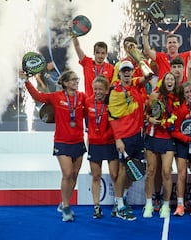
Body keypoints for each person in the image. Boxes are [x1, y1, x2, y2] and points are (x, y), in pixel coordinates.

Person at [21, 70, 86, 222]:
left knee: (75, 175)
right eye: (73, 79)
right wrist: (26, 81)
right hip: (62, 142)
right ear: (65, 83)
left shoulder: (81, 97)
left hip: (78, 141)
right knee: (67, 173)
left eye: (77, 79)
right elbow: (38, 96)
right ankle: (66, 207)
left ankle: (64, 203)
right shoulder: (56, 97)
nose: (77, 81)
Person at [107, 61, 149, 221]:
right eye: (124, 71)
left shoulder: (135, 85)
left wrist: (139, 59)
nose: (126, 73)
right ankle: (119, 206)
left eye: (129, 71)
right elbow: (113, 118)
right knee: (124, 172)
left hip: (138, 137)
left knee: (133, 171)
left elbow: (148, 76)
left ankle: (123, 197)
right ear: (119, 73)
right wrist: (118, 139)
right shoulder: (115, 91)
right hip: (124, 138)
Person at [143, 72, 181, 219]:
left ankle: (166, 204)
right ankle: (148, 204)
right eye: (167, 79)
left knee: (166, 171)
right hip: (152, 136)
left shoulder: (178, 98)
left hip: (169, 138)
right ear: (163, 82)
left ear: (175, 82)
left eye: (172, 79)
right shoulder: (154, 96)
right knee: (151, 170)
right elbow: (144, 114)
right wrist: (149, 119)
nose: (170, 81)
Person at [84, 75, 119, 219]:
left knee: (114, 175)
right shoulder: (88, 102)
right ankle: (96, 206)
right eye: (95, 89)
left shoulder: (111, 102)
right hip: (95, 144)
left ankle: (118, 203)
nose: (97, 92)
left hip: (110, 143)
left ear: (106, 91)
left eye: (100, 89)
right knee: (96, 176)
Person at [171, 81, 191, 217]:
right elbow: (174, 131)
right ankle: (180, 205)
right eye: (187, 92)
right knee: (182, 174)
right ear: (183, 95)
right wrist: (188, 139)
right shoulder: (179, 109)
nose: (190, 94)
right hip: (183, 144)